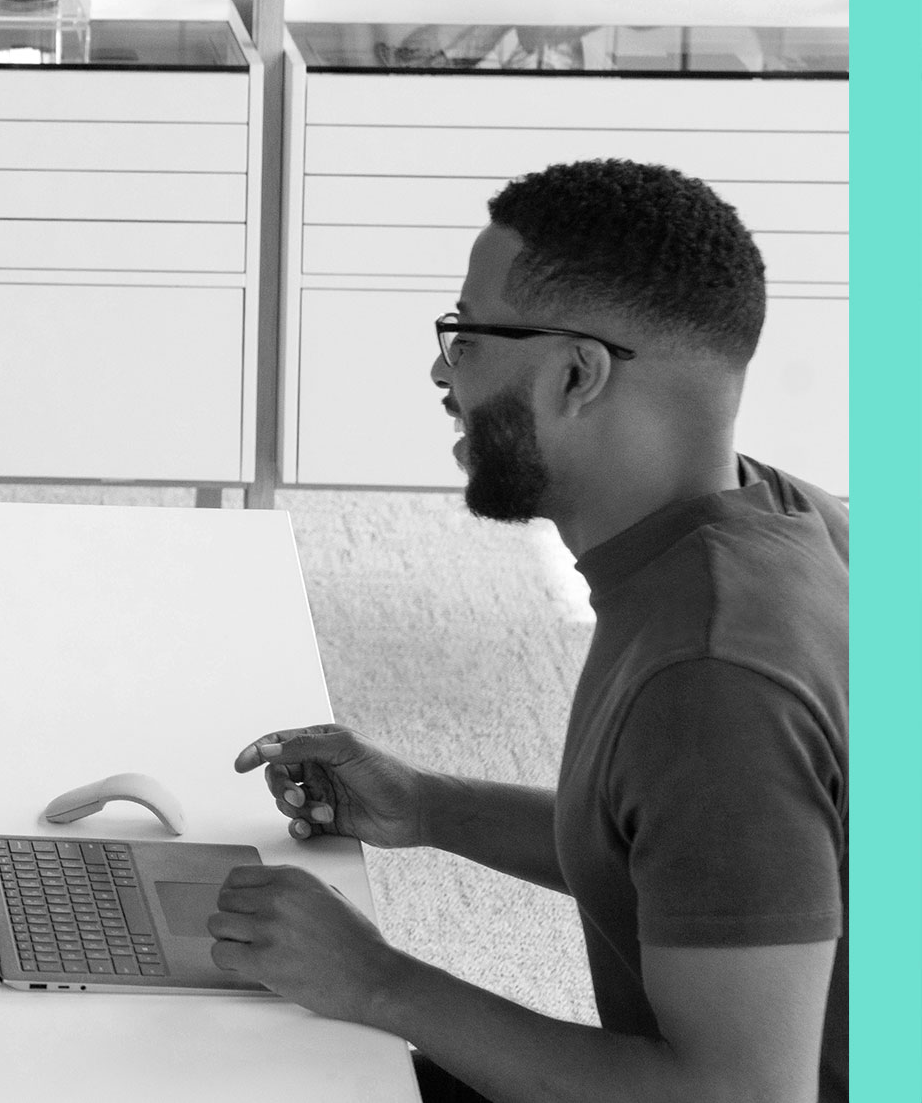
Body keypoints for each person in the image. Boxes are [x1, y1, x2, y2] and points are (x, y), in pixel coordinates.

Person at [215, 159, 846, 1103]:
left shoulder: (715, 682)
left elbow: (741, 1098)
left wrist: (377, 979)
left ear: (577, 374)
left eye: (467, 336)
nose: (442, 369)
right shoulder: (789, 519)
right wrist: (428, 807)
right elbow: (687, 858)